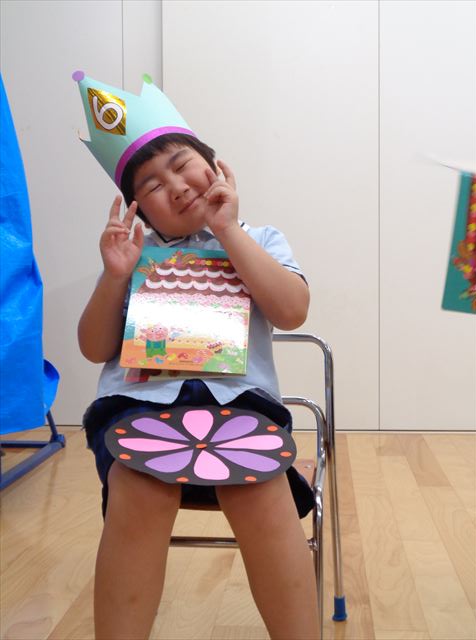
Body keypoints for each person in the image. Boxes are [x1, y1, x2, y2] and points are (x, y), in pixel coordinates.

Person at [76, 73, 319, 640]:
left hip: (241, 408)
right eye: (152, 186)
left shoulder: (259, 238)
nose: (176, 186)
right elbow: (92, 348)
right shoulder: (132, 255)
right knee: (141, 486)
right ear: (140, 210)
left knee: (261, 486)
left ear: (214, 164)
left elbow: (292, 312)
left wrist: (227, 230)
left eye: (182, 164)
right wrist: (115, 277)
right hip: (138, 408)